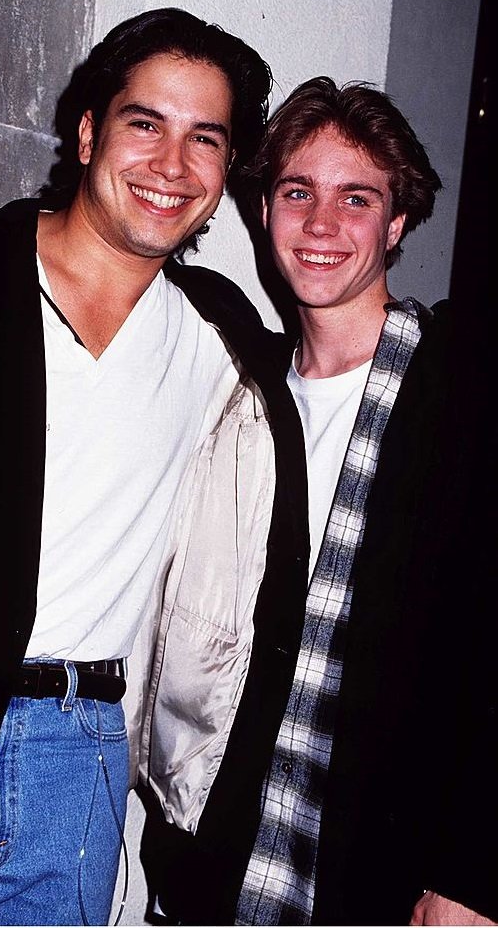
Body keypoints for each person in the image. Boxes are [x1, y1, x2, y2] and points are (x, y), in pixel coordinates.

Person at [0, 8, 275, 927]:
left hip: (77, 758)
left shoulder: (221, 337)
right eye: (144, 123)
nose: (172, 164)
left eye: (206, 138)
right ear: (87, 130)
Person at [140, 77, 497, 925]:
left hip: (383, 868)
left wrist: (471, 875)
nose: (323, 224)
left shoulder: (465, 388)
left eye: (358, 198)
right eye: (298, 191)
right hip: (225, 862)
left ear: (397, 222)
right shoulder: (237, 387)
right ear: (264, 210)